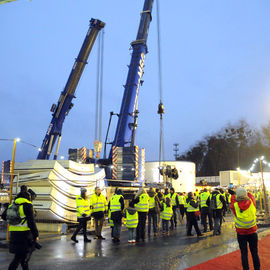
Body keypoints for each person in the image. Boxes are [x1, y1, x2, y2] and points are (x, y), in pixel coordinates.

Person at [5, 189, 39, 270]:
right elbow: (31, 222)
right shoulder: (27, 205)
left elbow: (4, 216)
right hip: (24, 235)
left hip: (13, 234)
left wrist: (13, 221)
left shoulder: (12, 205)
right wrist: (36, 235)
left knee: (22, 258)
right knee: (19, 258)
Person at [230, 187, 260, 270]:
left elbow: (232, 200)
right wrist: (246, 192)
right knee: (254, 253)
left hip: (241, 234)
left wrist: (233, 194)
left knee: (244, 253)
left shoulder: (235, 206)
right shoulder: (251, 202)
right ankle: (257, 268)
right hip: (252, 232)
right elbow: (251, 195)